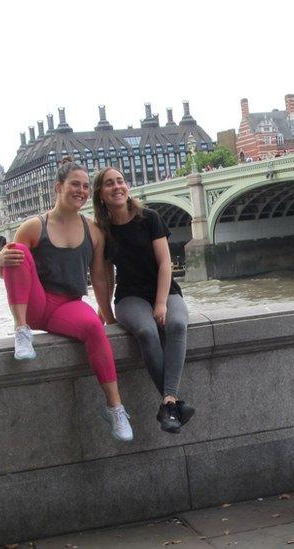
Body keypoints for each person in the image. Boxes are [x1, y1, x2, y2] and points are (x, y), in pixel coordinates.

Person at [0, 159, 134, 442]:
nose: (81, 191)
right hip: (35, 304)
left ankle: (115, 408)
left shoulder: (94, 231)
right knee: (17, 250)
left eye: (84, 186)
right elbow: (9, 269)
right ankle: (21, 331)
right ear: (59, 187)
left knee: (94, 327)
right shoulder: (34, 226)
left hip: (68, 305)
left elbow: (100, 278)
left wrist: (108, 315)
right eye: (74, 185)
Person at [91, 166, 195, 433]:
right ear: (100, 194)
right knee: (147, 331)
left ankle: (168, 403)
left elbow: (165, 263)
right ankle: (172, 404)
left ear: (127, 186)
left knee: (176, 325)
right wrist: (108, 315)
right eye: (109, 184)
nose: (117, 187)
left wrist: (161, 303)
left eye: (121, 181)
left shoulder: (149, 218)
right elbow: (104, 277)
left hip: (165, 289)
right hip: (130, 297)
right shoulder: (102, 230)